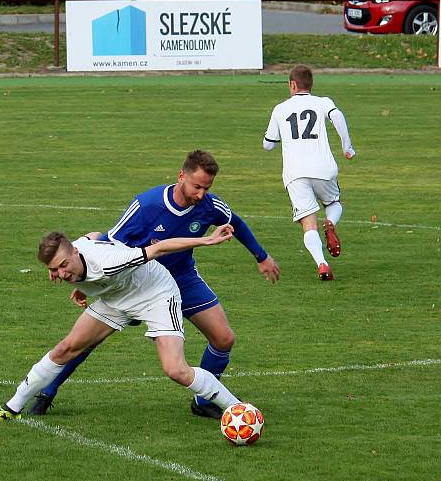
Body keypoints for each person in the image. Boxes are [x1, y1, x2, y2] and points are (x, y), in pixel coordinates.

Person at [28, 150, 280, 419]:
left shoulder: (210, 205)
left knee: (223, 338)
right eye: (197, 186)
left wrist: (261, 256)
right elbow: (108, 244)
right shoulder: (146, 206)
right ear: (181, 176)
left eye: (207, 188)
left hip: (182, 279)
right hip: (136, 284)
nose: (201, 194)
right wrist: (89, 280)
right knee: (87, 340)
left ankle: (204, 400)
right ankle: (48, 390)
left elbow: (236, 223)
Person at [0, 225, 243, 422]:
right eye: (54, 269)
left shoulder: (109, 263)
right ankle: (10, 409)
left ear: (75, 253)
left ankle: (238, 409)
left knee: (175, 369)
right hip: (115, 298)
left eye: (64, 266)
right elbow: (92, 236)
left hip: (155, 294)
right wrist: (81, 283)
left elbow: (159, 248)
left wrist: (206, 240)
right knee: (65, 349)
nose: (61, 274)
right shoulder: (75, 253)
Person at [262, 64, 356, 281]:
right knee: (334, 203)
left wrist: (271, 140)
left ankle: (321, 263)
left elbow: (268, 145)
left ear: (292, 85)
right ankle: (331, 223)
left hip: (295, 173)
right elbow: (338, 117)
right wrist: (347, 148)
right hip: (324, 168)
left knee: (308, 222)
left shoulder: (280, 109)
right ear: (310, 85)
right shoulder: (323, 102)